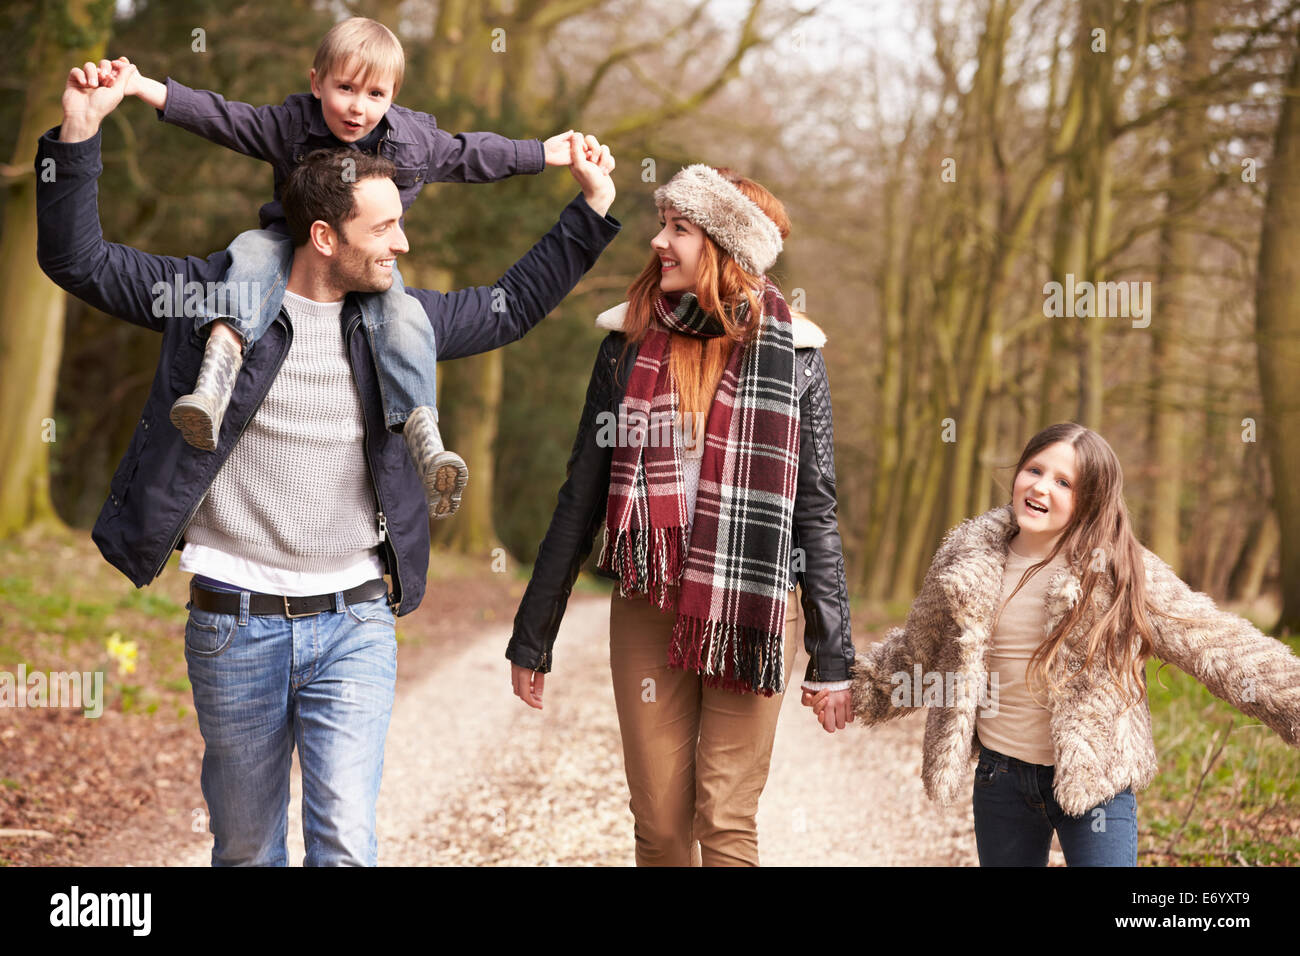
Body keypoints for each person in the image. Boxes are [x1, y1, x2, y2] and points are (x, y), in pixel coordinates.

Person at [37, 57, 619, 865]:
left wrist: (592, 211)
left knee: (344, 842)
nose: (403, 242)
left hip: (355, 622)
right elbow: (82, 263)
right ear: (324, 236)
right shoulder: (214, 299)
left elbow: (511, 305)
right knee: (246, 850)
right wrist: (78, 134)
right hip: (232, 621)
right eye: (384, 229)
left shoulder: (398, 322)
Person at [505, 164, 855, 866]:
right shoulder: (628, 347)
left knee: (724, 818)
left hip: (751, 608)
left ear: (726, 248)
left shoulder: (796, 358)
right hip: (649, 602)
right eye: (664, 225)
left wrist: (833, 652)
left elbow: (814, 510)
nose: (659, 241)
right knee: (662, 824)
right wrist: (533, 632)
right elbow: (583, 493)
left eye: (680, 229)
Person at [121, 17, 591, 519]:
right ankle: (214, 384)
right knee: (249, 257)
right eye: (344, 88)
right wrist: (144, 87)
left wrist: (542, 153)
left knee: (404, 317)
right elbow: (223, 117)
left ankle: (424, 435)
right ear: (316, 82)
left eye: (374, 94)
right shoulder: (289, 127)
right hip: (290, 243)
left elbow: (471, 155)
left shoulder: (414, 141)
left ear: (393, 97)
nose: (357, 107)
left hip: (366, 264)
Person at [812, 422, 1300, 866]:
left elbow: (1216, 643)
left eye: (1064, 482)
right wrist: (854, 691)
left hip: (1096, 785)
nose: (1042, 487)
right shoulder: (970, 558)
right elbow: (919, 652)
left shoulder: (1118, 571)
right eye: (1035, 470)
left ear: (1091, 500)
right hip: (1001, 780)